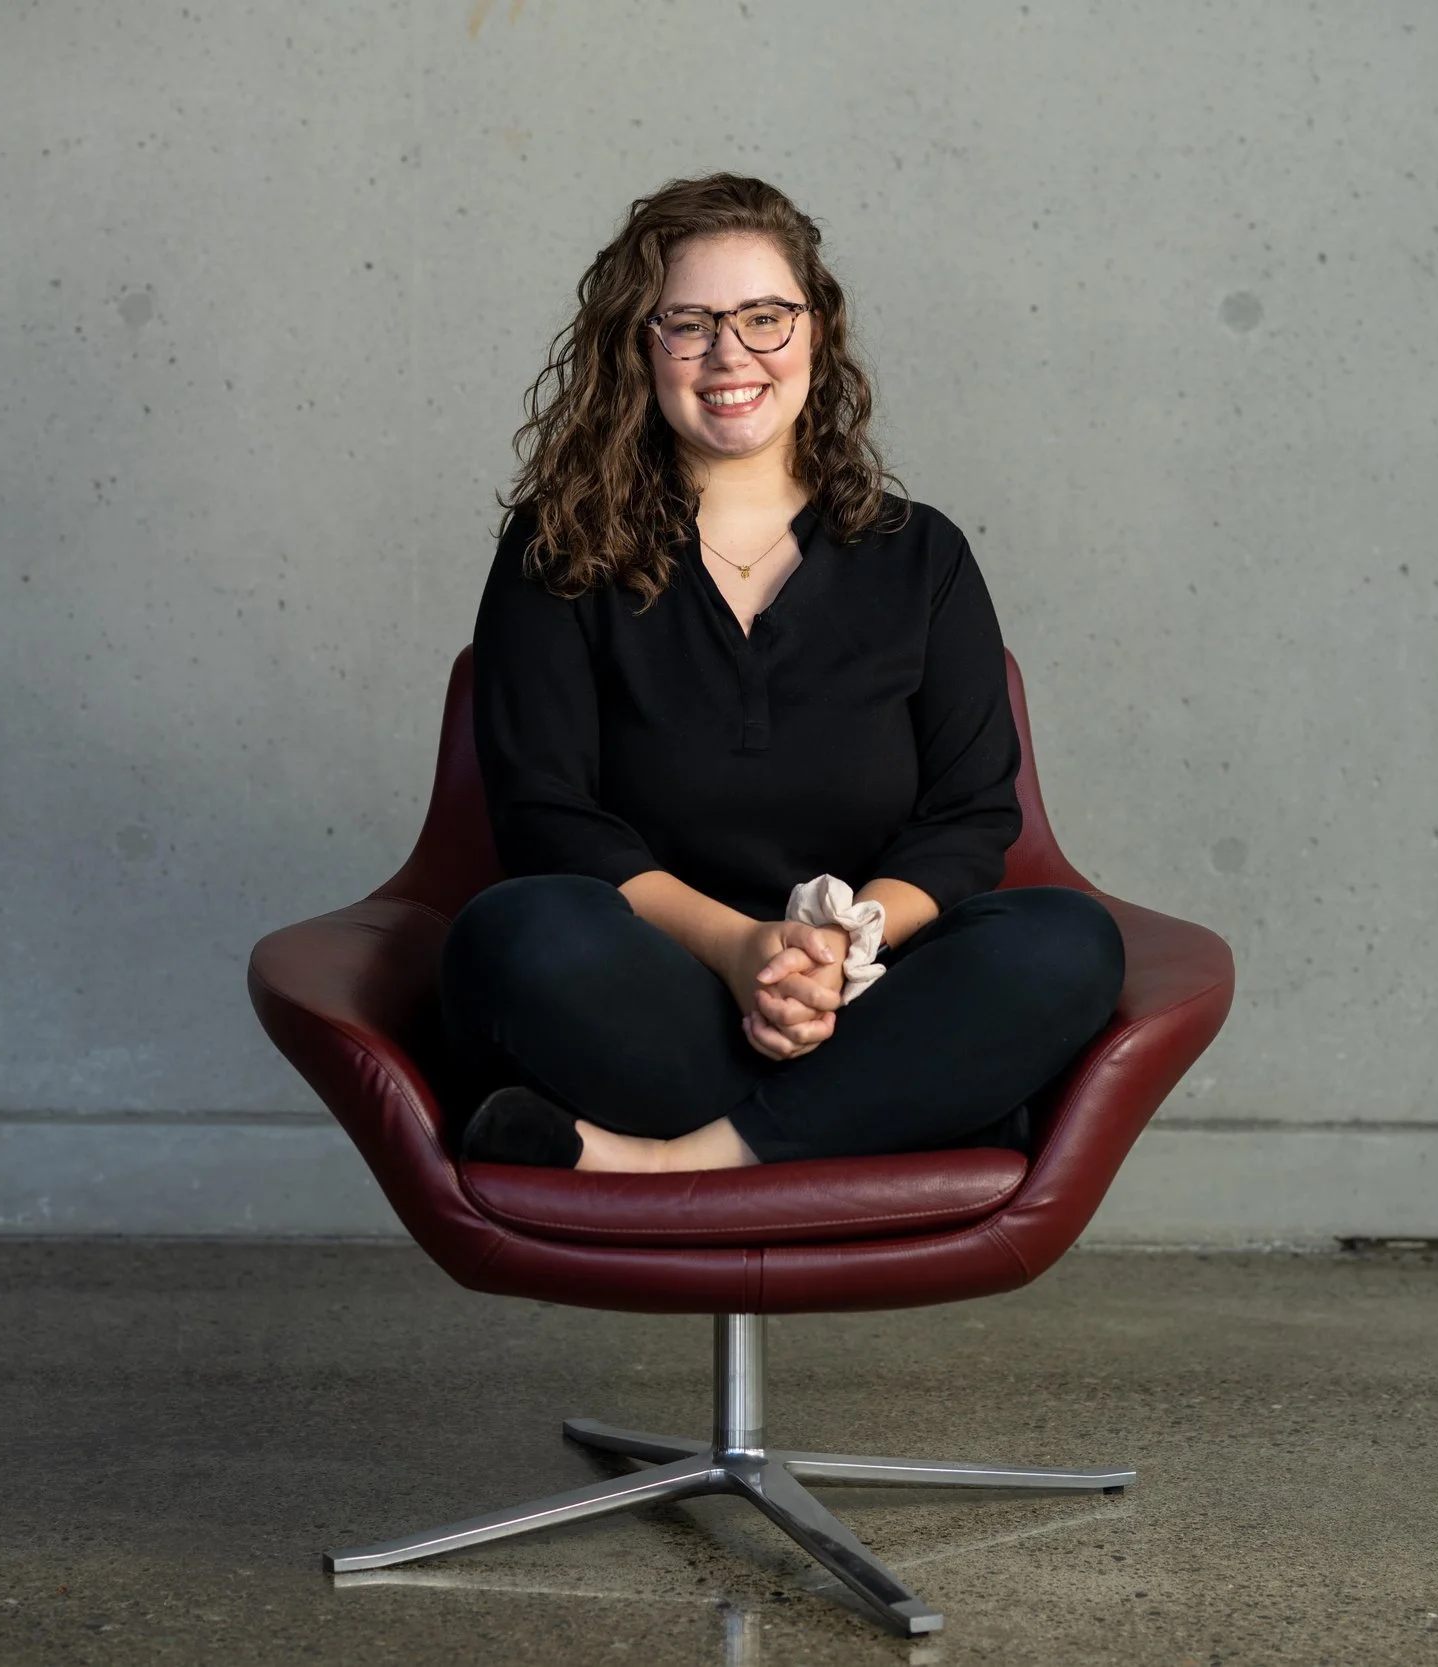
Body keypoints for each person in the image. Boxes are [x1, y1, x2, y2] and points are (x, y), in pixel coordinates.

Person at [442, 174, 1123, 1173]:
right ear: (640, 345)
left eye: (764, 317)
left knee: (1066, 941)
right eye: (688, 323)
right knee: (516, 933)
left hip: (868, 996)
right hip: (653, 993)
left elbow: (968, 818)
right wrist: (738, 950)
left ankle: (673, 1159)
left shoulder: (920, 555)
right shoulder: (558, 549)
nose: (731, 356)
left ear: (815, 330)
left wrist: (835, 953)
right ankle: (913, 1105)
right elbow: (548, 815)